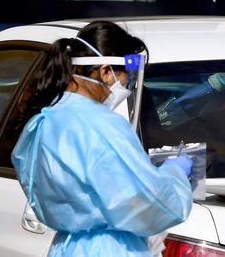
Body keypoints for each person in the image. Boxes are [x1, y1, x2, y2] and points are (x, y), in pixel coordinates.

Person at [11, 20, 193, 256]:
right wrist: (176, 172)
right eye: (125, 76)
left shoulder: (43, 122)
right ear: (106, 71)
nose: (126, 85)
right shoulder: (101, 126)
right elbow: (151, 206)